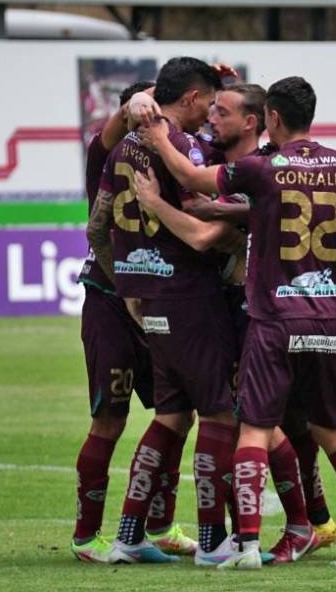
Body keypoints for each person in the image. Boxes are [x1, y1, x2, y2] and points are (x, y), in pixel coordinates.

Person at [138, 75, 336, 569]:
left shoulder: (263, 168)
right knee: (335, 430)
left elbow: (193, 180)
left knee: (254, 429)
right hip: (332, 318)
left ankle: (250, 546)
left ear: (271, 119)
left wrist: (155, 141)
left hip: (276, 316)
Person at [87, 56, 237, 565]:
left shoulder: (121, 149)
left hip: (146, 300)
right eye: (208, 104)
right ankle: (214, 543)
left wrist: (128, 280)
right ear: (191, 98)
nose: (209, 114)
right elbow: (203, 232)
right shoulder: (185, 150)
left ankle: (130, 534)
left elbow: (96, 229)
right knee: (219, 413)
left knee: (172, 415)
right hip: (190, 298)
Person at [72, 79, 199, 562]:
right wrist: (130, 106)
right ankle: (87, 537)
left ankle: (162, 525)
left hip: (157, 302)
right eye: (148, 104)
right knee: (110, 419)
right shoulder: (106, 149)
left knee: (178, 414)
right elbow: (115, 127)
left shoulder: (169, 151)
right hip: (111, 300)